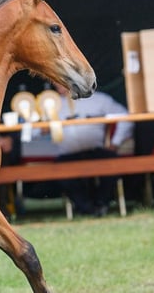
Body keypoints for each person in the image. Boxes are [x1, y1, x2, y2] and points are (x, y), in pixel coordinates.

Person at [49, 82, 134, 216]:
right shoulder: (50, 105)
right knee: (60, 173)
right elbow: (30, 130)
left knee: (113, 165)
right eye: (55, 81)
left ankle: (102, 203)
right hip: (67, 155)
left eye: (61, 80)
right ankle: (86, 208)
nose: (57, 84)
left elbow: (125, 116)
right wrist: (41, 127)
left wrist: (115, 143)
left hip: (95, 151)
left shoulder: (99, 100)